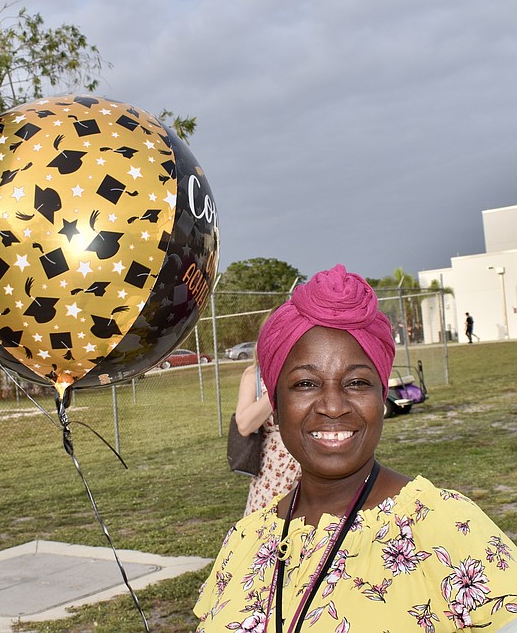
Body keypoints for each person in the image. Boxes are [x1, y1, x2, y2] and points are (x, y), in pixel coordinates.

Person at [195, 265, 517, 632]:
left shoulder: (446, 528)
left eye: (357, 382)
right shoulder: (244, 543)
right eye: (304, 384)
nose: (333, 406)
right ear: (276, 403)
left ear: (381, 397)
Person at [235, 358, 300, 516]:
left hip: (317, 463)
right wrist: (276, 386)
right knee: (266, 527)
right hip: (276, 471)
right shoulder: (255, 374)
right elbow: (244, 425)